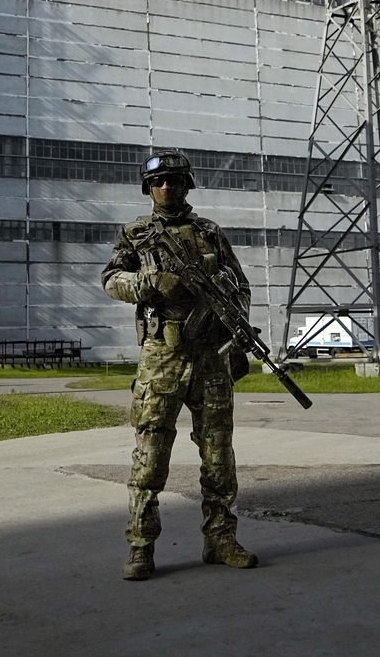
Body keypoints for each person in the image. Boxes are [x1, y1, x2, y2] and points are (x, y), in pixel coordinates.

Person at [101, 150, 259, 582]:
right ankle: (140, 546)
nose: (166, 187)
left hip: (211, 357)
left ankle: (221, 539)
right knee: (150, 458)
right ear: (148, 187)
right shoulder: (135, 234)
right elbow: (111, 279)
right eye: (158, 182)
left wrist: (230, 316)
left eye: (174, 180)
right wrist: (151, 283)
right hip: (162, 359)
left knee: (218, 458)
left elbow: (240, 285)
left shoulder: (209, 232)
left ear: (187, 184)